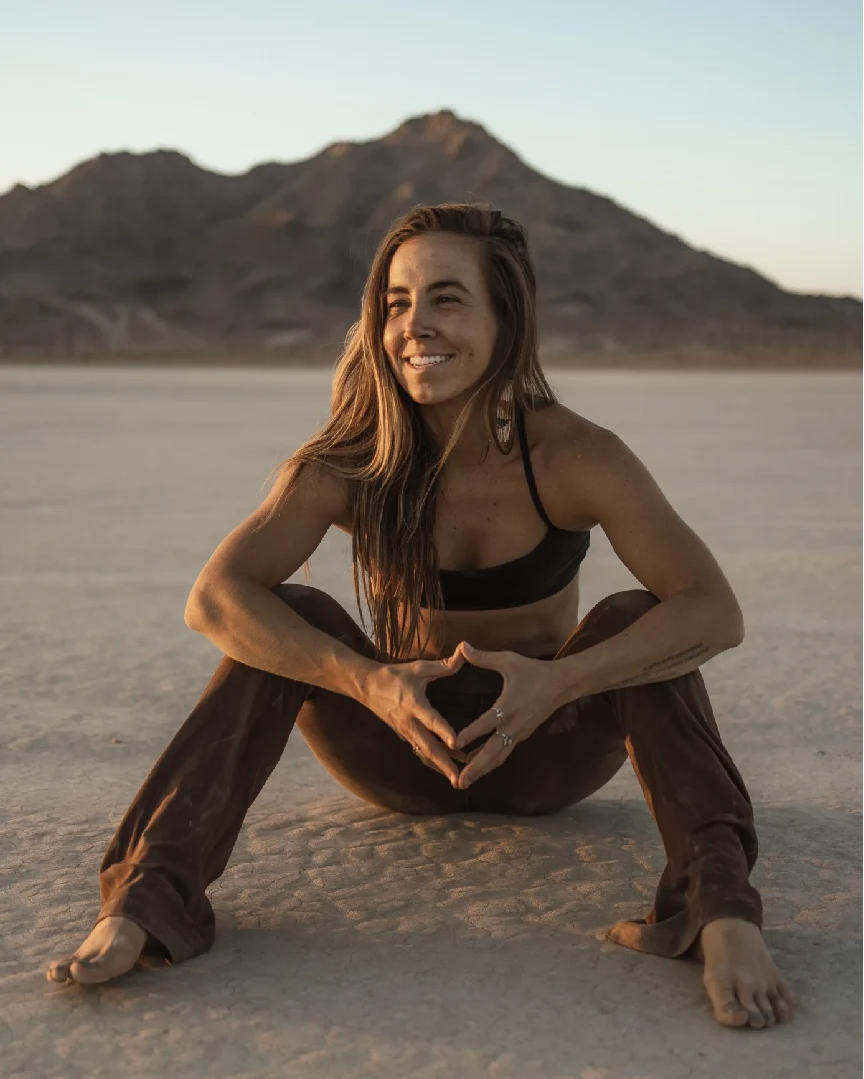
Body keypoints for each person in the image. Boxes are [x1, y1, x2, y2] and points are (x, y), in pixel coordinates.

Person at [48, 203, 795, 1029]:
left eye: (446, 298)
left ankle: (719, 911)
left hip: (546, 753)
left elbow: (712, 611)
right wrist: (368, 682)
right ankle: (149, 900)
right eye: (397, 302)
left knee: (635, 619)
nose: (415, 325)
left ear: (504, 318)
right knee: (289, 609)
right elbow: (215, 598)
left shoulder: (575, 456)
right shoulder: (354, 459)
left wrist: (560, 683)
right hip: (399, 750)